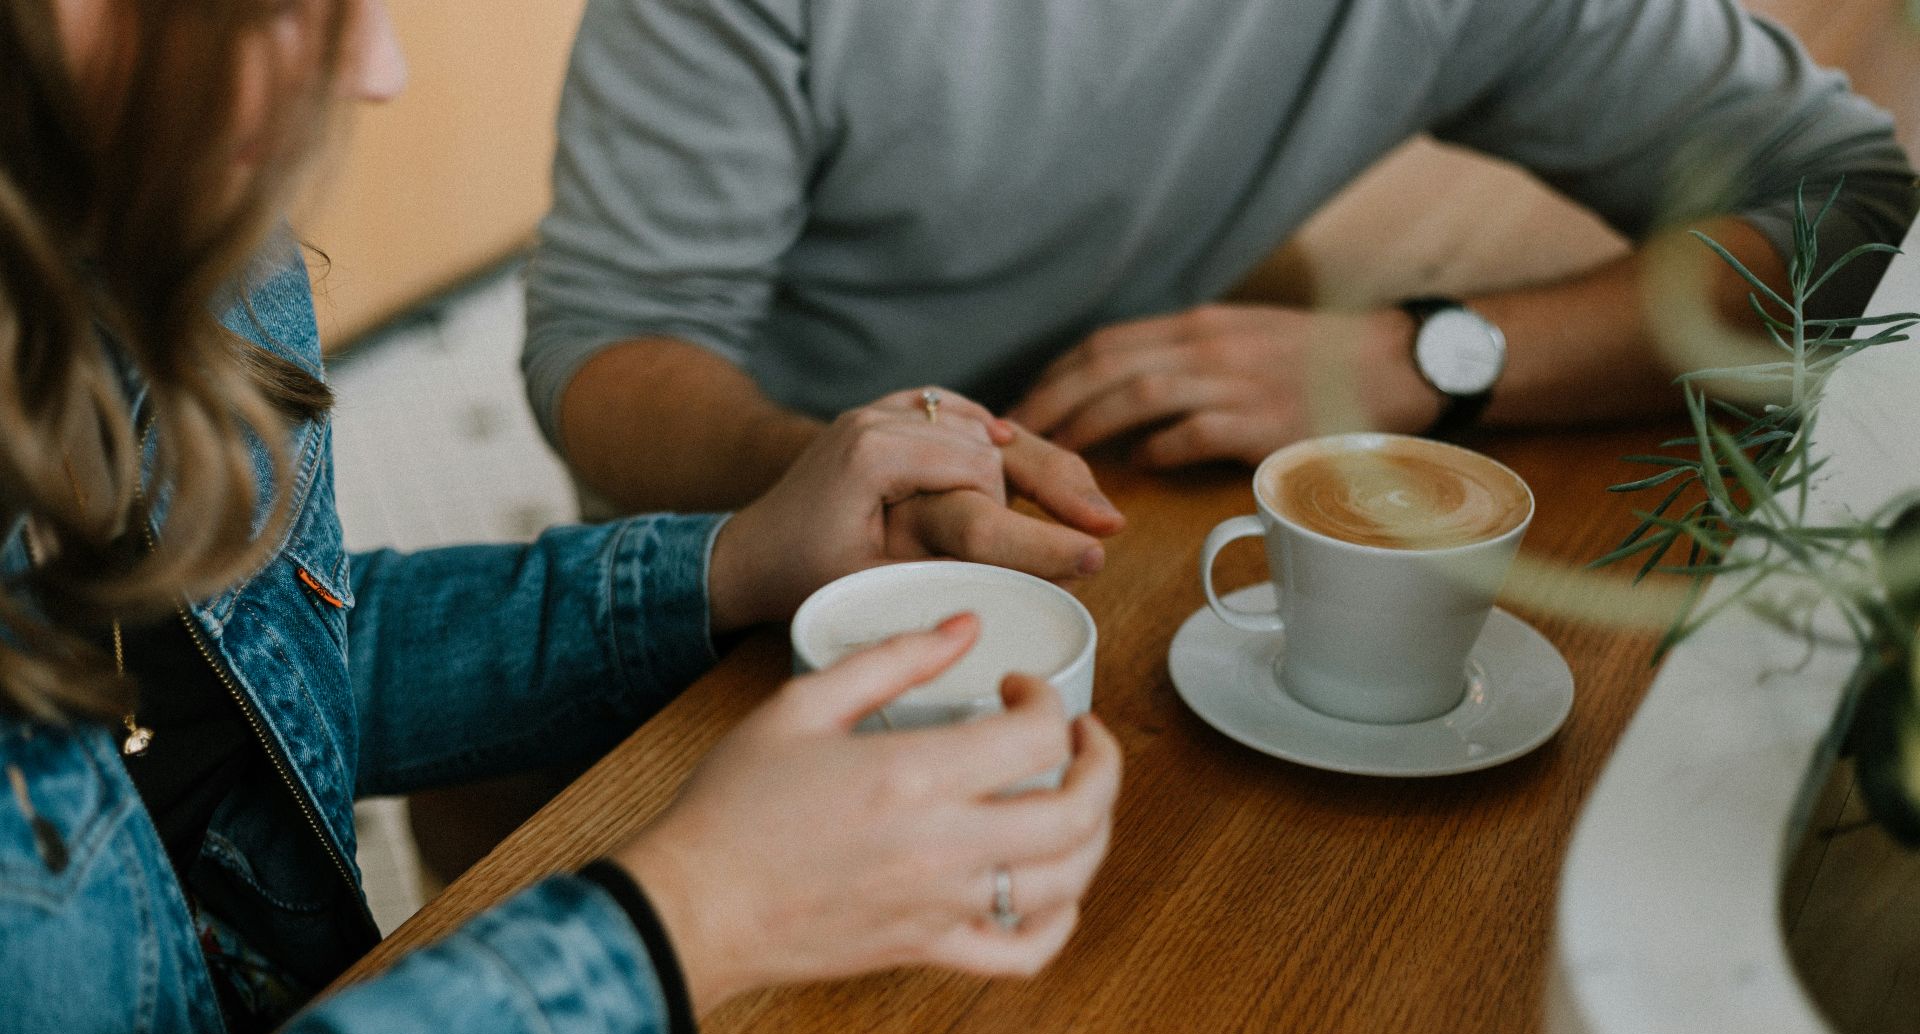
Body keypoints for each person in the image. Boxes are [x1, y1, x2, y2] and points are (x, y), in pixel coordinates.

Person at [0, 0, 1123, 1034]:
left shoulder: (155, 246)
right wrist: (685, 921)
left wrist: (731, 562)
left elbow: (267, 670)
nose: (376, 71)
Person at [524, 0, 1918, 522]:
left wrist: (1422, 355)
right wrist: (857, 472)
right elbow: (607, 350)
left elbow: (1857, 216)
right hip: (746, 514)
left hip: (1149, 478)